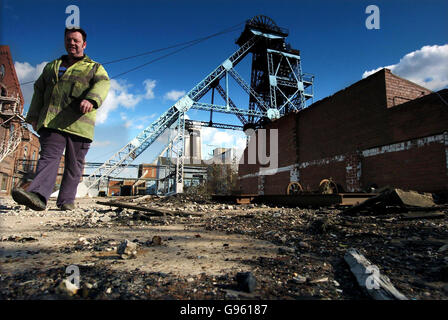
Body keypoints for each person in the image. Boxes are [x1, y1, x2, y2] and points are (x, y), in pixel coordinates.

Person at [12, 27, 110, 211]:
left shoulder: (94, 68)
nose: (72, 43)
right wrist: (33, 115)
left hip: (79, 124)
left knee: (74, 165)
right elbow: (39, 90)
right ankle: (38, 196)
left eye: (76, 40)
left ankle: (66, 201)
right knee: (48, 158)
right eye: (68, 40)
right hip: (52, 121)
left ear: (84, 44)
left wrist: (91, 99)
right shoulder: (52, 67)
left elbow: (103, 84)